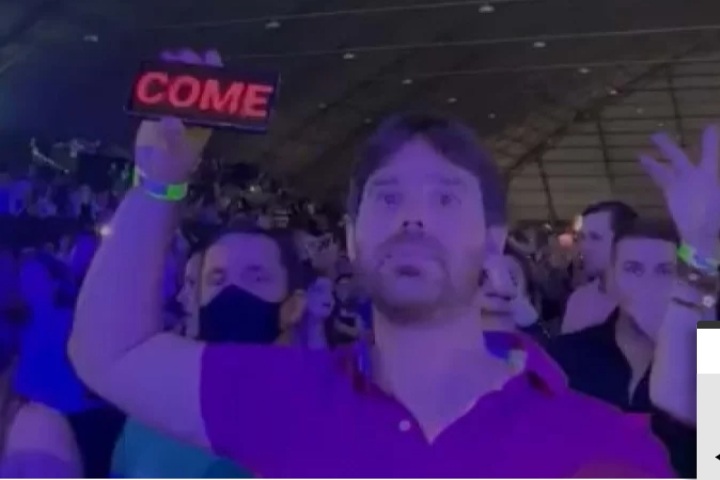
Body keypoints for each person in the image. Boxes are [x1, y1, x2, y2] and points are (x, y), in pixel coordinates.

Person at [70, 49, 673, 477]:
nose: (413, 218)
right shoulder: (288, 399)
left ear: (493, 243)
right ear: (353, 240)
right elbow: (110, 353)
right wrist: (159, 183)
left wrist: (701, 278)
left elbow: (711, 433)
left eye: (444, 198)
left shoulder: (603, 441)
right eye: (388, 198)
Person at [13, 252, 124, 477]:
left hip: (79, 419)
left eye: (35, 276)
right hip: (34, 422)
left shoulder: (74, 321)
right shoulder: (18, 328)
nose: (28, 282)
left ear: (54, 283)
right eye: (24, 276)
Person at [561, 201, 637, 334]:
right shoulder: (578, 300)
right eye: (583, 237)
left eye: (595, 238)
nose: (584, 246)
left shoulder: (652, 301)